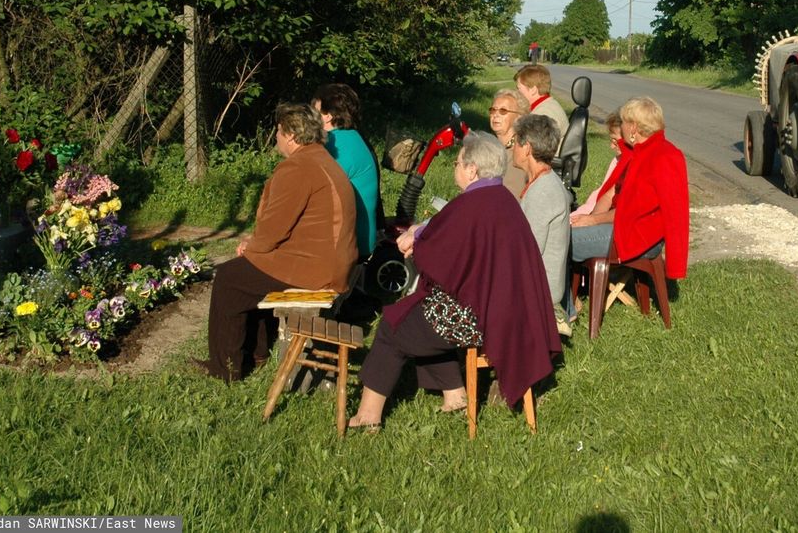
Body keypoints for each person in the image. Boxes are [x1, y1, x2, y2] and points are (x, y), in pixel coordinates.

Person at [347, 132, 559, 429]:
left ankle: (368, 416)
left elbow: (439, 254)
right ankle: (455, 396)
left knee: (393, 326)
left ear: (472, 169)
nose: (455, 168)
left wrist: (415, 242)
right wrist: (421, 233)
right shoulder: (502, 199)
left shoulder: (472, 204)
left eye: (458, 163)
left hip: (478, 317)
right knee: (418, 312)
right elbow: (447, 234)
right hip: (510, 315)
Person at [199, 103, 357, 381]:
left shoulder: (298, 167)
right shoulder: (320, 159)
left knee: (229, 277)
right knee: (250, 271)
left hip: (317, 267)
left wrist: (251, 246)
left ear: (293, 136)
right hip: (329, 259)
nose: (276, 138)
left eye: (279, 132)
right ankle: (258, 353)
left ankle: (226, 368)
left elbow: (273, 228)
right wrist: (255, 249)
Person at [569, 96, 689, 313]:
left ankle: (561, 306)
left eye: (623, 122)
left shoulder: (665, 156)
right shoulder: (636, 151)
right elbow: (611, 194)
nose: (620, 126)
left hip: (637, 236)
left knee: (560, 239)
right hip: (620, 228)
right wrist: (589, 221)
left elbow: (673, 214)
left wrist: (592, 221)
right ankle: (563, 302)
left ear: (633, 127)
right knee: (555, 232)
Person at [511, 114, 573, 335]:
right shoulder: (543, 181)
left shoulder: (543, 191)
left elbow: (526, 252)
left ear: (526, 148)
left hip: (538, 290)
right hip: (539, 282)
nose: (512, 149)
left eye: (514, 143)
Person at [313, 83, 380, 259]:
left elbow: (316, 191)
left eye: (315, 111)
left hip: (350, 245)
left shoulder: (336, 145)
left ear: (327, 116)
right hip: (360, 239)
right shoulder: (353, 137)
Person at [570, 111, 625, 222]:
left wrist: (592, 220)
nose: (611, 146)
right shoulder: (616, 161)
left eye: (615, 141)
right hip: (594, 212)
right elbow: (603, 195)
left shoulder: (633, 166)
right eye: (611, 140)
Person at [488, 88, 531, 198]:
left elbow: (510, 198)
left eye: (503, 111)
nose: (495, 115)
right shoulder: (493, 145)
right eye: (493, 110)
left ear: (519, 117)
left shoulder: (519, 152)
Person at [514, 64, 569, 140]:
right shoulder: (548, 105)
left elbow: (532, 149)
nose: (516, 92)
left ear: (533, 90)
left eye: (518, 88)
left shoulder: (541, 116)